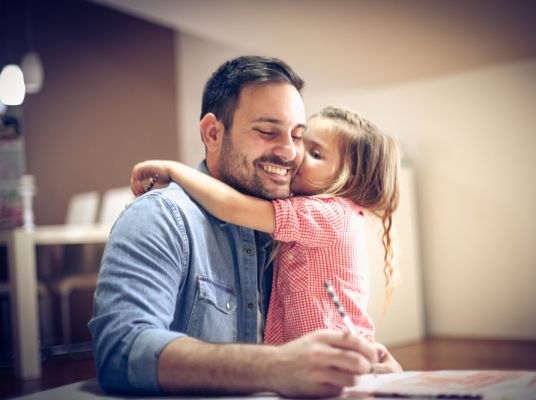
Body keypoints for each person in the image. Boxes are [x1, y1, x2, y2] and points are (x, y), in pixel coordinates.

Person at [89, 56, 400, 397]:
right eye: (267, 132)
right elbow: (121, 351)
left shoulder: (291, 220)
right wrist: (276, 366)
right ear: (212, 132)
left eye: (297, 136)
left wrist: (368, 362)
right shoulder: (160, 217)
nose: (289, 153)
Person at [131, 105, 401, 345]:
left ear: (350, 177)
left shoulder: (332, 214)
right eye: (299, 141)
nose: (294, 154)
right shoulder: (303, 209)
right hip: (308, 360)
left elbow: (233, 206)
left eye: (315, 153)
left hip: (338, 354)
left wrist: (175, 171)